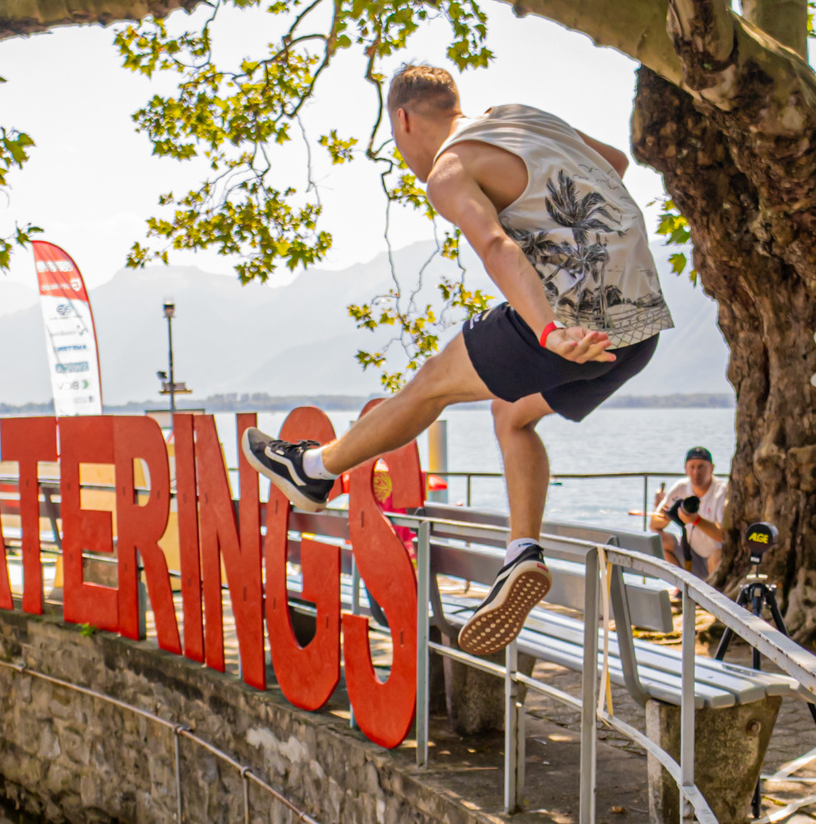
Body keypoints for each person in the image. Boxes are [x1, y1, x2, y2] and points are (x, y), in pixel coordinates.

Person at [242, 65, 672, 658]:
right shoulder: (521, 115)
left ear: (404, 119)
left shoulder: (449, 170)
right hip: (641, 328)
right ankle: (522, 553)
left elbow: (496, 245)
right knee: (511, 415)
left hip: (568, 325)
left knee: (429, 386)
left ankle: (314, 470)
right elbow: (615, 164)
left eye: (397, 142)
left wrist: (547, 329)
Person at [649, 447, 727, 579]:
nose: (696, 472)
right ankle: (679, 584)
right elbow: (653, 525)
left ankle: (714, 590)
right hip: (689, 554)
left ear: (712, 468)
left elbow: (723, 535)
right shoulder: (681, 487)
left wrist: (696, 520)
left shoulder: (722, 491)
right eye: (692, 467)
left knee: (717, 556)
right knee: (658, 539)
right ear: (686, 469)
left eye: (701, 467)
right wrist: (669, 516)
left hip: (714, 560)